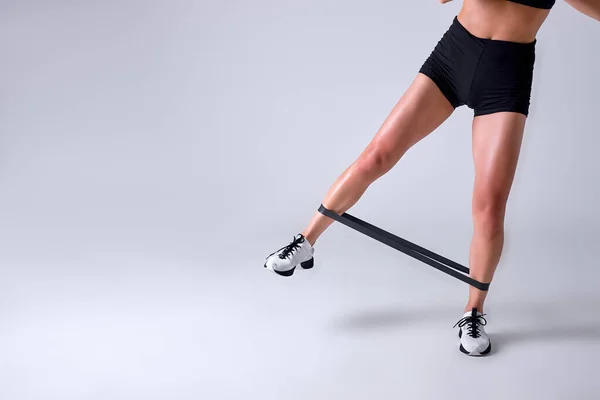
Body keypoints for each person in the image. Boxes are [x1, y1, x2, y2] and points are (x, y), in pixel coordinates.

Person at [263, 0, 600, 356]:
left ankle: (474, 311)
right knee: (376, 156)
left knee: (489, 206)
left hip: (508, 72)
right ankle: (306, 240)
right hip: (455, 54)